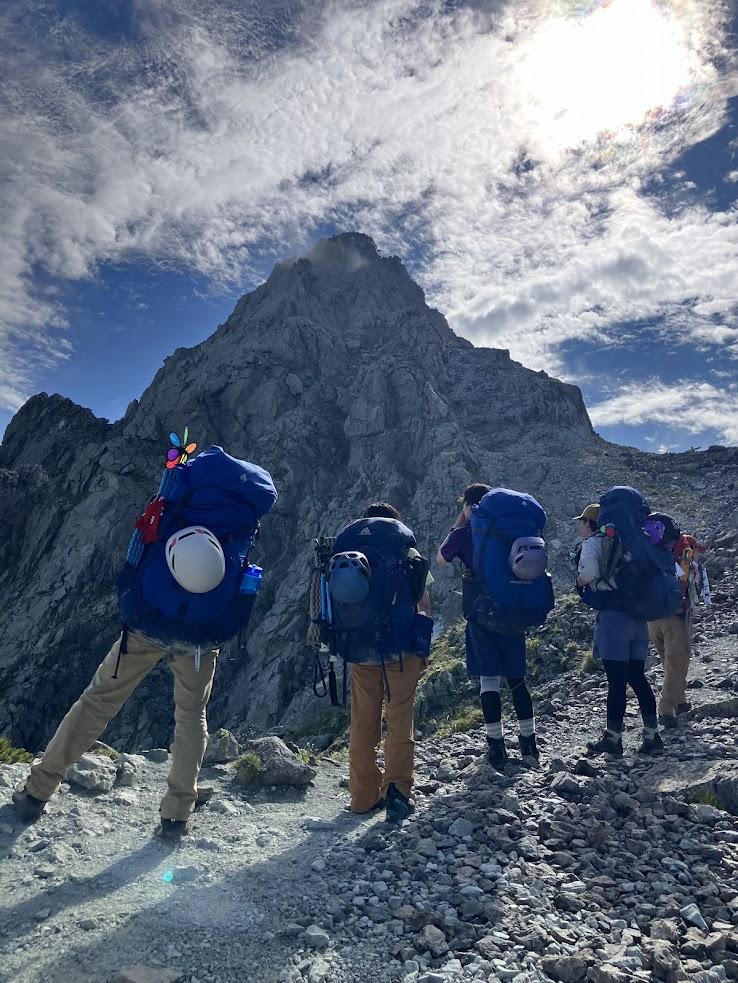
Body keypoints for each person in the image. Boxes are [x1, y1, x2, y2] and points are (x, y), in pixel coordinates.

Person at [13, 445, 277, 839]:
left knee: (98, 700)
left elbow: (141, 543)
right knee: (191, 716)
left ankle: (37, 792)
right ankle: (176, 813)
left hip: (149, 617)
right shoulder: (244, 512)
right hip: (203, 634)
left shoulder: (182, 490)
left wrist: (130, 597)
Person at [326, 502, 432, 824]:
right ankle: (397, 795)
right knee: (399, 715)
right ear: (395, 523)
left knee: (362, 719)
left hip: (359, 646)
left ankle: (361, 797)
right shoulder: (405, 548)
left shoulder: (349, 546)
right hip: (400, 649)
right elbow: (424, 603)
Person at [437, 483, 538, 767]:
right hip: (514, 611)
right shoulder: (509, 532)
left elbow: (441, 559)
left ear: (469, 506)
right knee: (518, 680)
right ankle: (529, 744)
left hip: (481, 615)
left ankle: (496, 747)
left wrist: (460, 522)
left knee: (489, 680)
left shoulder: (465, 533)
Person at [574, 502, 663, 756]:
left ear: (590, 523)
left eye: (581, 521)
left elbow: (589, 573)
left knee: (615, 681)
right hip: (637, 617)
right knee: (637, 676)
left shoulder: (594, 543)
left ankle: (613, 739)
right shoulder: (628, 543)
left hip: (613, 618)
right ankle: (652, 735)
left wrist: (579, 581)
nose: (579, 526)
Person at [646, 516, 707, 727]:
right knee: (677, 662)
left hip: (652, 615)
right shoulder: (685, 551)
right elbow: (688, 580)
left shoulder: (650, 551)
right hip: (676, 615)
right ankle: (666, 710)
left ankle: (680, 700)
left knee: (668, 661)